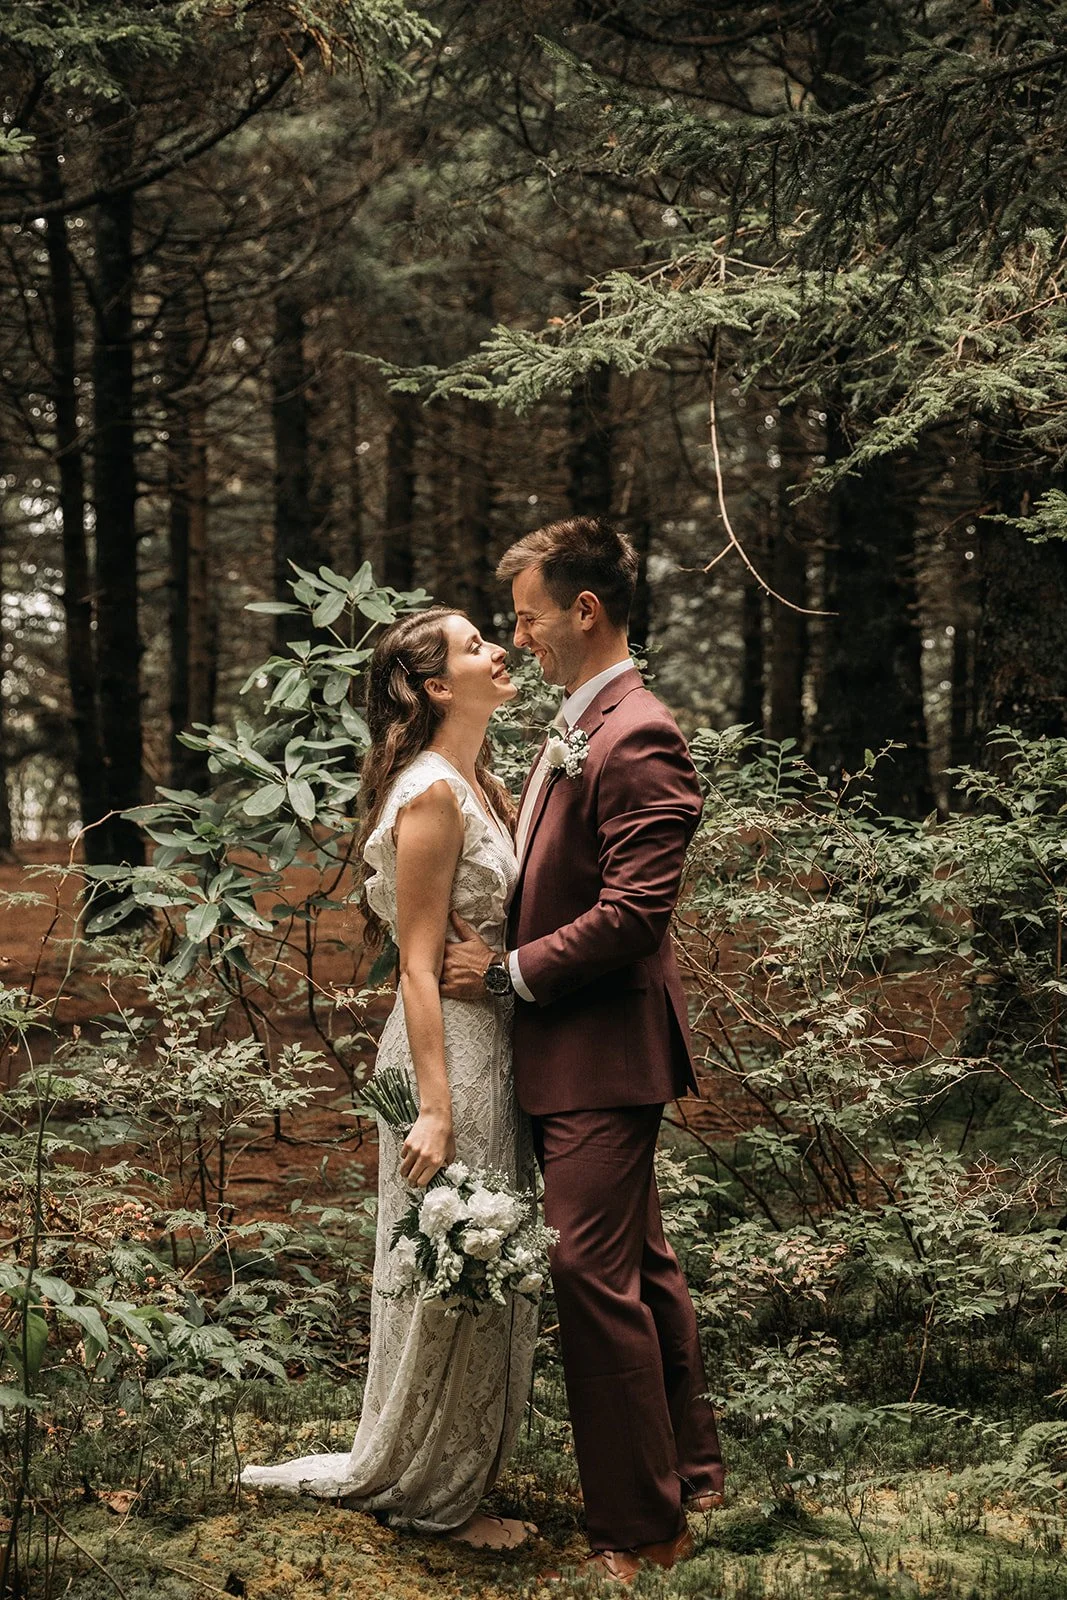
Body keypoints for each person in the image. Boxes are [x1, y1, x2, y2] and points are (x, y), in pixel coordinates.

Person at [441, 517, 724, 1585]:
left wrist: (508, 971)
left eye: (526, 616)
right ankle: (690, 1473)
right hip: (579, 1048)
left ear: (583, 610)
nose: (518, 639)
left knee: (586, 1271)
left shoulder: (635, 730)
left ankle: (640, 1527)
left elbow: (636, 910)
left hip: (603, 1047)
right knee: (639, 1264)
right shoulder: (578, 724)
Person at [241, 607, 539, 1550]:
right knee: (455, 1265)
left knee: (482, 1261)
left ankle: (448, 1468)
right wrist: (439, 1113)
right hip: (444, 1056)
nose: (498, 649)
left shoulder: (478, 781)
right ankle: (436, 1500)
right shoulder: (430, 796)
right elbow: (413, 965)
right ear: (440, 687)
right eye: (473, 645)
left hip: (491, 1040)